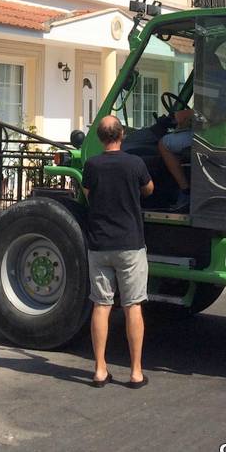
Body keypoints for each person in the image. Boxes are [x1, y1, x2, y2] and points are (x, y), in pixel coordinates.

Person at [82, 114, 154, 387]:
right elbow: (149, 188)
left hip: (100, 245)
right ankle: (136, 371)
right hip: (130, 244)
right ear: (121, 135)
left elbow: (88, 193)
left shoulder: (92, 165)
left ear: (101, 138)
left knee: (101, 305)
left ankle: (100, 369)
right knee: (132, 305)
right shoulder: (135, 163)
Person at [157, 106, 194, 210]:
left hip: (213, 133)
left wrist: (184, 114)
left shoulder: (212, 91)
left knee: (164, 143)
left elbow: (208, 111)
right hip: (218, 130)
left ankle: (185, 190)